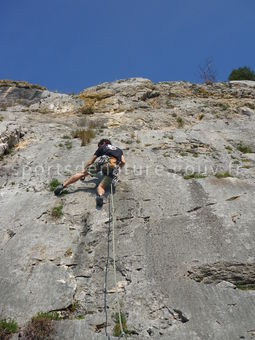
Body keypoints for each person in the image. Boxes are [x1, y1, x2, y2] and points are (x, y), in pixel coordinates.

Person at [54, 139, 126, 207]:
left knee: (82, 174)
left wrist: (84, 171)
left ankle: (63, 185)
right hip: (113, 165)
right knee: (101, 186)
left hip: (104, 161)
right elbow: (123, 162)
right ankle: (100, 196)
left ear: (103, 143)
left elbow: (91, 161)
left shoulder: (103, 146)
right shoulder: (119, 150)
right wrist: (117, 170)